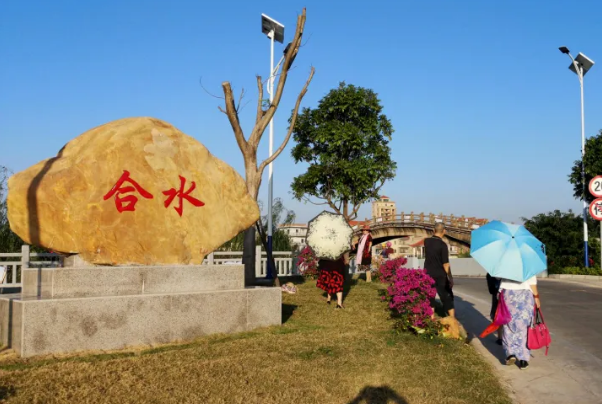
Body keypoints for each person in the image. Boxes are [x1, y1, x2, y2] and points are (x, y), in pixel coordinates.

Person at [500, 275, 540, 370]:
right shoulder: (528, 262)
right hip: (525, 295)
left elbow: (499, 279)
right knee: (525, 327)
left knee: (508, 324)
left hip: (508, 293)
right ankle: (523, 359)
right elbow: (532, 281)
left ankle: (510, 353)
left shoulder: (505, 262)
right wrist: (536, 296)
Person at [424, 223, 455, 318]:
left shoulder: (426, 241)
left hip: (428, 274)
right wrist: (450, 278)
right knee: (446, 297)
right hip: (440, 275)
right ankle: (452, 319)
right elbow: (445, 264)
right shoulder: (443, 245)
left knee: (430, 297)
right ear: (444, 231)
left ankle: (431, 318)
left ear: (433, 230)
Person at [486, 273, 503, 345]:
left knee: (498, 315)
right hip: (511, 296)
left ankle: (500, 338)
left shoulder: (491, 273)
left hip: (497, 296)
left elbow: (491, 290)